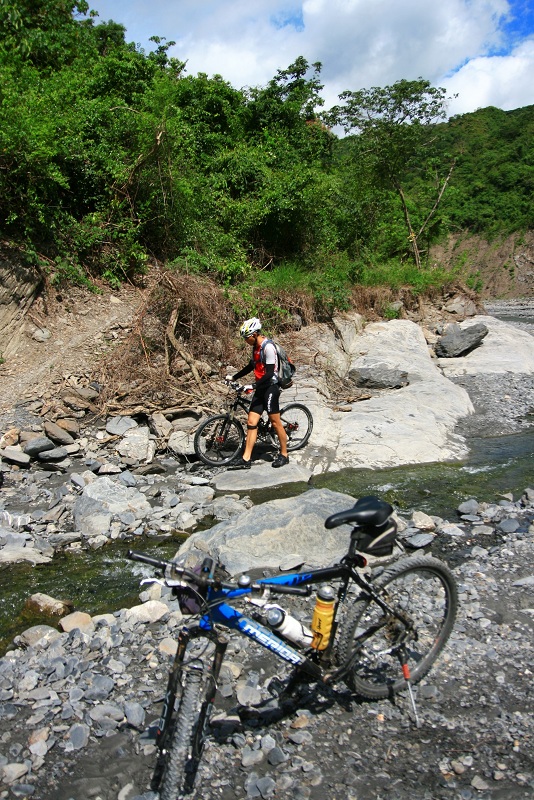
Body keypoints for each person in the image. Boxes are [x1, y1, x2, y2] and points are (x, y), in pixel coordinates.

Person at [226, 317, 289, 469]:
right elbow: (251, 366)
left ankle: (284, 455)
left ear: (254, 335)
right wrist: (234, 377)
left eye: (246, 338)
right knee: (251, 422)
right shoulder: (255, 347)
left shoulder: (268, 348)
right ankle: (246, 459)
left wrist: (253, 386)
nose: (245, 341)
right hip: (261, 388)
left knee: (275, 422)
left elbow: (269, 373)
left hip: (271, 387)